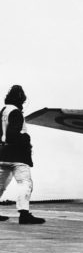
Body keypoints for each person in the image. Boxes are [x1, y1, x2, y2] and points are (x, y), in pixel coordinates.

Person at [0, 85, 45, 224]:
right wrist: (26, 138)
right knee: (24, 183)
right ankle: (24, 214)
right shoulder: (16, 112)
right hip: (17, 155)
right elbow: (13, 135)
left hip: (2, 154)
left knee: (0, 184)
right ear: (20, 99)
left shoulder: (3, 111)